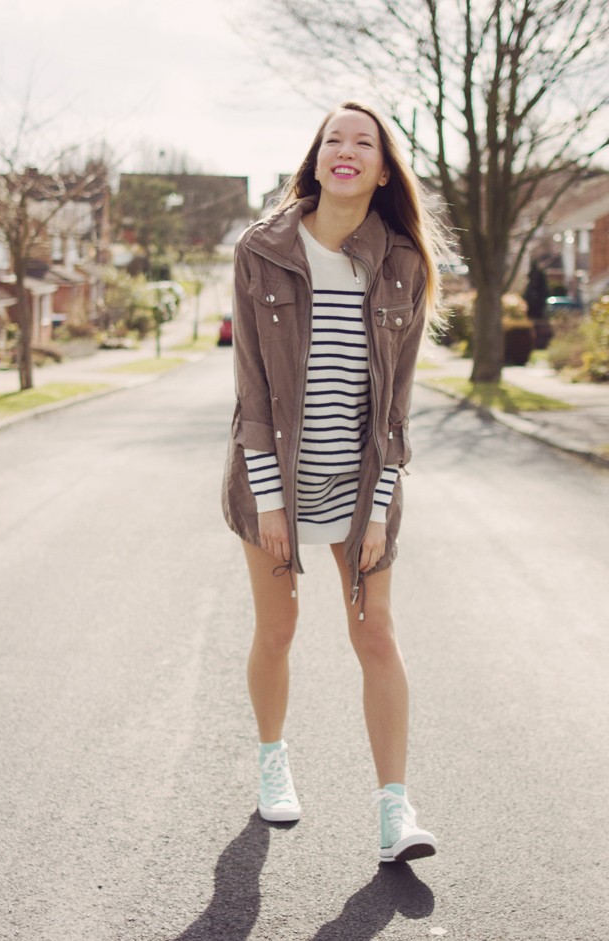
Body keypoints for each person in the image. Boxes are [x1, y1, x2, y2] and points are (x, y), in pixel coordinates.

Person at [222, 100, 443, 864]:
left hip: (360, 484)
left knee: (375, 632)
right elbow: (252, 392)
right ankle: (272, 761)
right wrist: (269, 502)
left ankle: (394, 811)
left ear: (382, 171)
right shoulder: (262, 250)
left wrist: (376, 512)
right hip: (274, 481)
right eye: (332, 140)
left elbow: (395, 410)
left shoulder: (401, 262)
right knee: (277, 629)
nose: (345, 150)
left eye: (363, 142)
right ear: (316, 160)